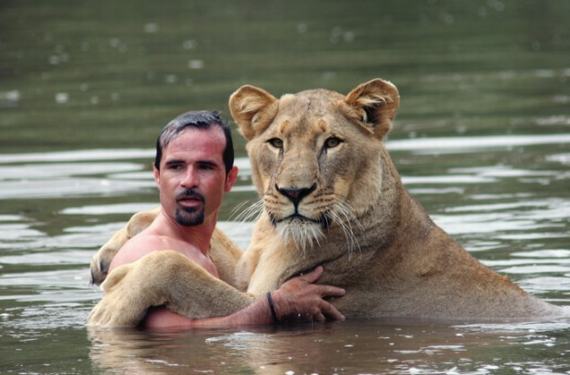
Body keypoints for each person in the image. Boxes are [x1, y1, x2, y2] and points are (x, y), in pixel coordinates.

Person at [108, 110, 345, 329]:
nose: (189, 180)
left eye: (205, 167)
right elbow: (172, 337)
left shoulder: (209, 252)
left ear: (230, 179)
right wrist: (276, 306)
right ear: (157, 176)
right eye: (176, 167)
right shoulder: (144, 253)